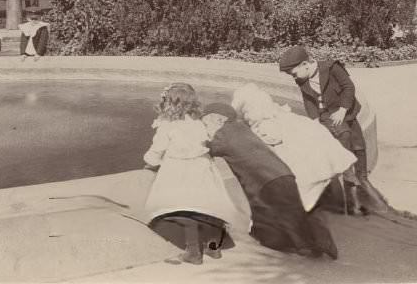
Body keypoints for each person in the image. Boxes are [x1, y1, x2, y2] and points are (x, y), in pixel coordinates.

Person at [202, 102, 338, 260]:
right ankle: (304, 241)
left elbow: (207, 148)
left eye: (206, 123)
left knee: (289, 216)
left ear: (218, 120)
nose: (206, 128)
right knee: (287, 213)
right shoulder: (242, 128)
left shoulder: (222, 135)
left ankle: (316, 241)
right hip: (282, 174)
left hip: (265, 182)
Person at [142, 84, 240, 265]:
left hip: (178, 171)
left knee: (183, 210)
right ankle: (213, 248)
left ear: (169, 103)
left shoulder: (167, 126)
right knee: (208, 208)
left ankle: (193, 252)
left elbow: (156, 152)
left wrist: (150, 162)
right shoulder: (198, 124)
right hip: (202, 169)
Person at [231, 83, 355, 212]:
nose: (246, 116)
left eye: (246, 112)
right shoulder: (288, 116)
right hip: (327, 166)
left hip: (312, 176)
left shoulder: (266, 125)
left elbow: (271, 140)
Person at [279, 45, 369, 214]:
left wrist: (343, 109)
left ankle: (361, 181)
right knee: (341, 142)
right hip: (325, 114)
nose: (294, 78)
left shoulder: (332, 67)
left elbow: (348, 87)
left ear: (305, 64)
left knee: (358, 146)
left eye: (294, 73)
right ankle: (349, 185)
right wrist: (314, 121)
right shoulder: (302, 78)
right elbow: (308, 100)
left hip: (344, 110)